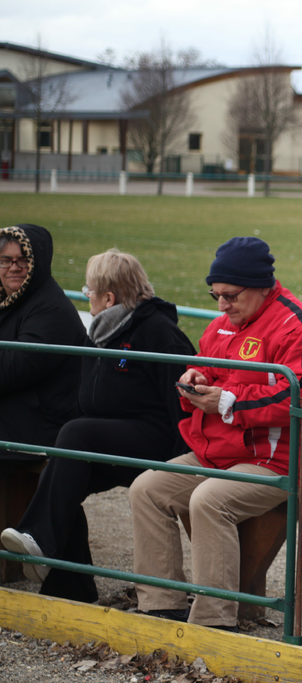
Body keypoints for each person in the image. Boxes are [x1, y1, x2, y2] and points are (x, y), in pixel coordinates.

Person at [128, 237, 302, 630]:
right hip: (220, 453)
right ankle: (161, 606)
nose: (222, 305)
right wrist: (195, 378)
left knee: (209, 500)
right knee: (147, 490)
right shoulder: (222, 325)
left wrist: (228, 401)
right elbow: (210, 368)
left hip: (280, 460)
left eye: (230, 295)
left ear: (261, 286)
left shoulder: (301, 326)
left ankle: (215, 621)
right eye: (215, 295)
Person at [1, 249, 195, 603]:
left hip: (158, 442)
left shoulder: (158, 332)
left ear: (109, 298)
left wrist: (182, 466)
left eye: (88, 290)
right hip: (113, 441)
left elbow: (182, 404)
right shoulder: (103, 331)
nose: (85, 296)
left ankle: (38, 540)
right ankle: (71, 588)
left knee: (76, 434)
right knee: (59, 481)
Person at [0, 224, 86, 472]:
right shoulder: (9, 300)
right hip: (17, 407)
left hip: (41, 422)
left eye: (23, 260)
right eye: (5, 261)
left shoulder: (51, 309)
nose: (14, 267)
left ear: (38, 262)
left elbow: (14, 368)